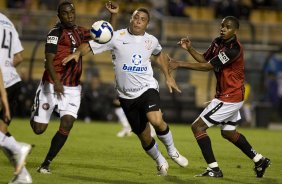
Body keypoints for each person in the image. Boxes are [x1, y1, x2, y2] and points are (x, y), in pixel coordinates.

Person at [62, 7, 188, 176]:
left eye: (142, 19)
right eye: (136, 17)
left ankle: (172, 151)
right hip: (126, 96)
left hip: (147, 88)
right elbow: (91, 46)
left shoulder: (151, 40)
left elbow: (159, 55)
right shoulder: (116, 37)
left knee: (156, 120)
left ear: (147, 24)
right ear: (130, 19)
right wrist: (78, 53)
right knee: (144, 137)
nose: (138, 21)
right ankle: (160, 160)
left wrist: (168, 76)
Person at [168, 16, 271, 178]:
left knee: (197, 127)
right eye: (222, 25)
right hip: (230, 96)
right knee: (228, 132)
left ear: (235, 30)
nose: (223, 28)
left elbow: (208, 67)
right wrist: (189, 49)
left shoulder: (234, 49)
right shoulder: (217, 42)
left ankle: (214, 169)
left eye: (228, 27)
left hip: (229, 97)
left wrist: (179, 64)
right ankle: (259, 160)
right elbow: (204, 59)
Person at [30, 1, 119, 174]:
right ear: (59, 16)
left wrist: (113, 16)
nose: (70, 16)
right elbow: (48, 60)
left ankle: (46, 163)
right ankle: (36, 108)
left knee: (68, 123)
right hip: (51, 84)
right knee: (38, 130)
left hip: (72, 88)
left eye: (72, 12)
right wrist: (56, 83)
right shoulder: (55, 33)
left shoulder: (80, 31)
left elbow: (105, 36)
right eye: (65, 13)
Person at [0, 12, 32, 184]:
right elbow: (19, 57)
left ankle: (17, 147)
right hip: (12, 81)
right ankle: (22, 175)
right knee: (1, 133)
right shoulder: (7, 20)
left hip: (2, 84)